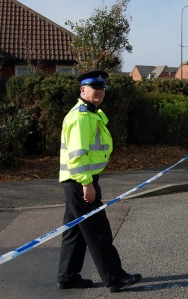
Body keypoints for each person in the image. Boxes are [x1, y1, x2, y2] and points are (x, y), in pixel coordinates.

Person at [57, 70, 141, 293]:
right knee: (98, 230)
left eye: (102, 88)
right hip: (80, 180)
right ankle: (114, 277)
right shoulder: (81, 117)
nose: (100, 91)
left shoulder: (91, 114)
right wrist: (87, 183)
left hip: (77, 180)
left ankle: (68, 277)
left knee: (74, 232)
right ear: (82, 90)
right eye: (95, 88)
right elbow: (77, 155)